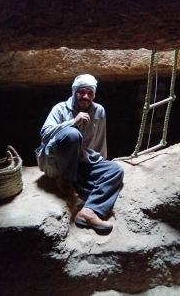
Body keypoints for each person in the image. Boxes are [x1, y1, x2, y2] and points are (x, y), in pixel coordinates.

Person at [35, 74, 124, 232]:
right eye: (81, 92)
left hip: (81, 161)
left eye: (90, 93)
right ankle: (65, 181)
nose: (85, 96)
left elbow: (100, 140)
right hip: (58, 162)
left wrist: (102, 164)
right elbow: (44, 134)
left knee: (116, 170)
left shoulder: (99, 111)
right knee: (72, 134)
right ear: (74, 92)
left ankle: (88, 212)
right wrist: (72, 122)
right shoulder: (60, 108)